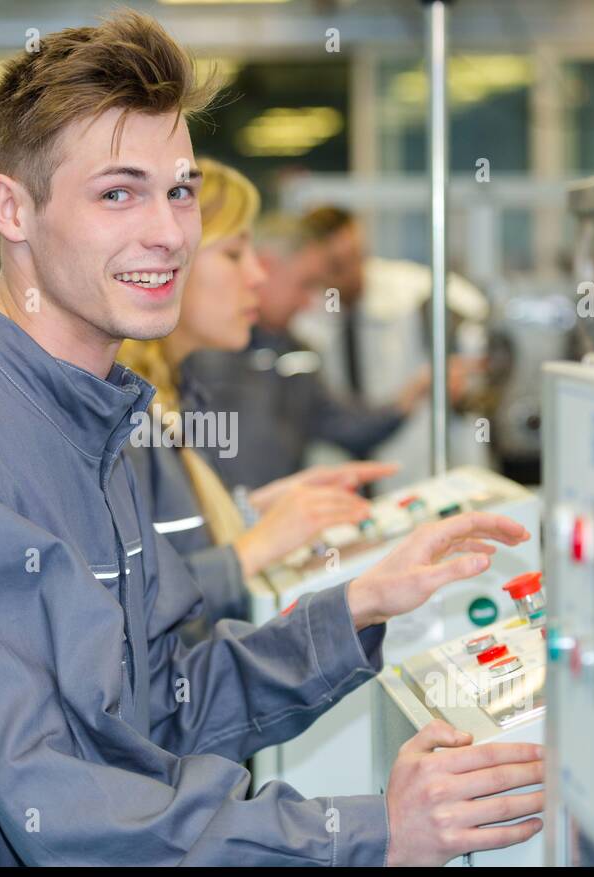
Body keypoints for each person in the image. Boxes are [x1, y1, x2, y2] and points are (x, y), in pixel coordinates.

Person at [0, 9, 542, 866]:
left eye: (180, 189)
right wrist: (370, 831)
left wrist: (359, 606)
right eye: (117, 193)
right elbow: (60, 801)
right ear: (12, 208)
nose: (168, 233)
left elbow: (158, 709)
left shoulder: (97, 419)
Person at [117, 159, 397, 625]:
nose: (257, 277)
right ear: (165, 259)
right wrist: (257, 545)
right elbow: (132, 616)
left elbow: (178, 544)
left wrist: (255, 511)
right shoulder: (123, 418)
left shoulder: (168, 395)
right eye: (233, 255)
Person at [185, 212, 427, 491]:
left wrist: (413, 395)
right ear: (266, 267)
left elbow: (344, 424)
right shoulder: (199, 350)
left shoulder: (295, 353)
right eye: (305, 284)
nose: (307, 303)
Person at [294, 206, 490, 483]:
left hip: (410, 459)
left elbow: (478, 324)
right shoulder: (304, 306)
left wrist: (460, 374)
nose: (348, 274)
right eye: (333, 266)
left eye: (354, 259)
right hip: (338, 461)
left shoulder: (412, 289)